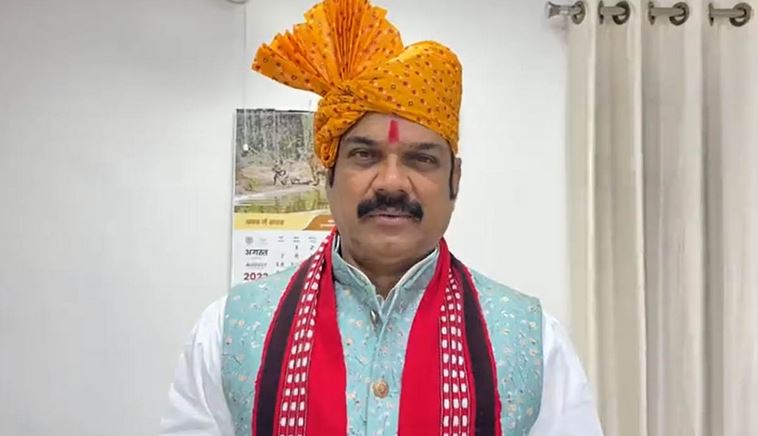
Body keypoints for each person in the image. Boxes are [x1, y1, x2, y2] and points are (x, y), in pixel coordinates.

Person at [160, 0, 603, 434]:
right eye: (364, 155)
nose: (391, 182)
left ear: (455, 180)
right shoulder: (230, 332)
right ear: (328, 173)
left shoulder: (533, 341)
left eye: (421, 159)